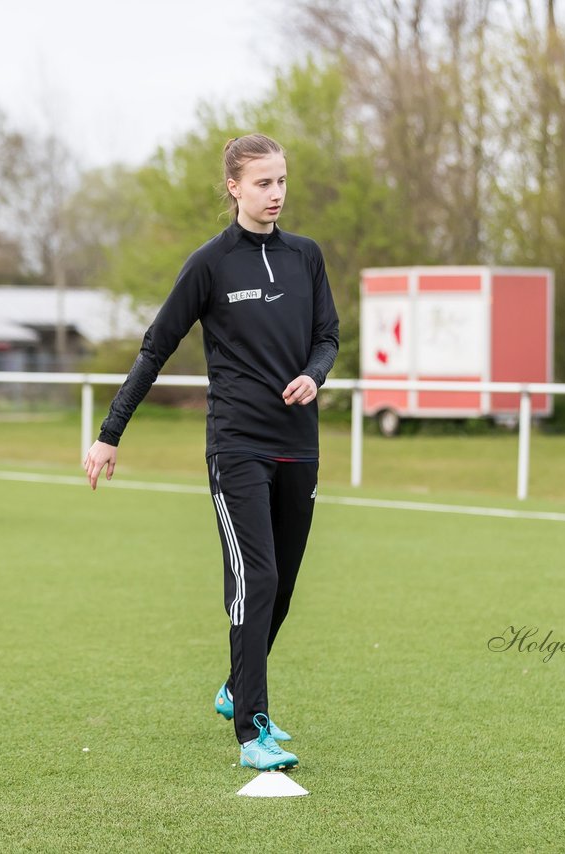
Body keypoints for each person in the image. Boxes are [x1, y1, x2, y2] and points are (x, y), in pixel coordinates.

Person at [83, 133, 340, 772]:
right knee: (259, 578)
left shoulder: (307, 256)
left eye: (281, 181)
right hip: (237, 445)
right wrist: (110, 432)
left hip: (297, 445)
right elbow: (155, 347)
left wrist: (315, 374)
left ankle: (234, 688)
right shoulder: (210, 264)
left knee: (280, 587)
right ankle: (253, 729)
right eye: (262, 183)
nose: (275, 194)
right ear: (234, 187)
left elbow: (328, 336)